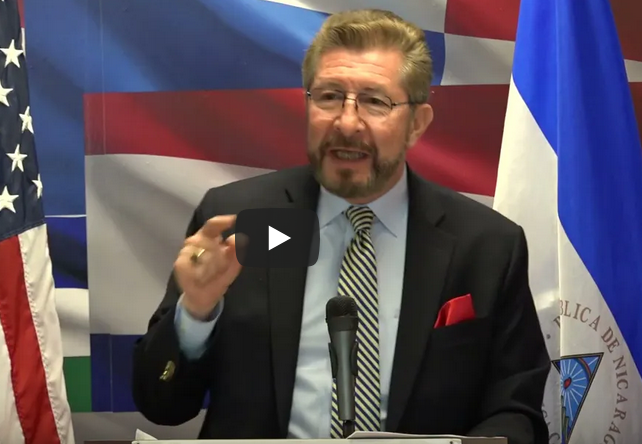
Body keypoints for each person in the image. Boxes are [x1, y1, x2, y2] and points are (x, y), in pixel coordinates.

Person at [131, 8, 550, 443]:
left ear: (416, 124)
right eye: (329, 97)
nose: (347, 123)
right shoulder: (238, 224)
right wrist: (195, 314)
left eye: (375, 102)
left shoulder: (484, 246)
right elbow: (161, 405)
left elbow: (516, 412)